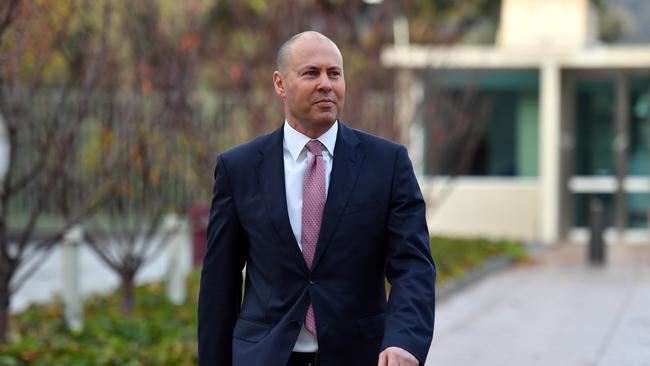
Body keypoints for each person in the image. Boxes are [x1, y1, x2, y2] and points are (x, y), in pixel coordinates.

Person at [198, 31, 435, 366]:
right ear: (280, 84)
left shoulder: (387, 163)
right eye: (311, 73)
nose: (326, 84)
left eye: (334, 73)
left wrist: (404, 340)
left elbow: (413, 265)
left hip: (361, 356)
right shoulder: (239, 168)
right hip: (265, 357)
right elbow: (219, 283)